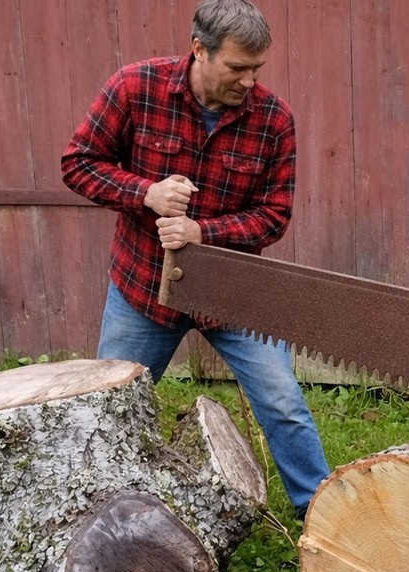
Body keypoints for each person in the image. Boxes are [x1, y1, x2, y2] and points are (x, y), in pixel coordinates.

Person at [62, 0, 330, 520]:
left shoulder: (273, 119)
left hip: (233, 293)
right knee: (106, 410)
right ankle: (90, 522)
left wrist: (202, 232)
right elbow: (78, 164)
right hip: (144, 291)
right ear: (199, 50)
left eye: (257, 69)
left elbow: (273, 217)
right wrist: (145, 194)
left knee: (283, 404)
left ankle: (323, 520)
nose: (249, 81)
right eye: (237, 68)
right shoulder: (135, 88)